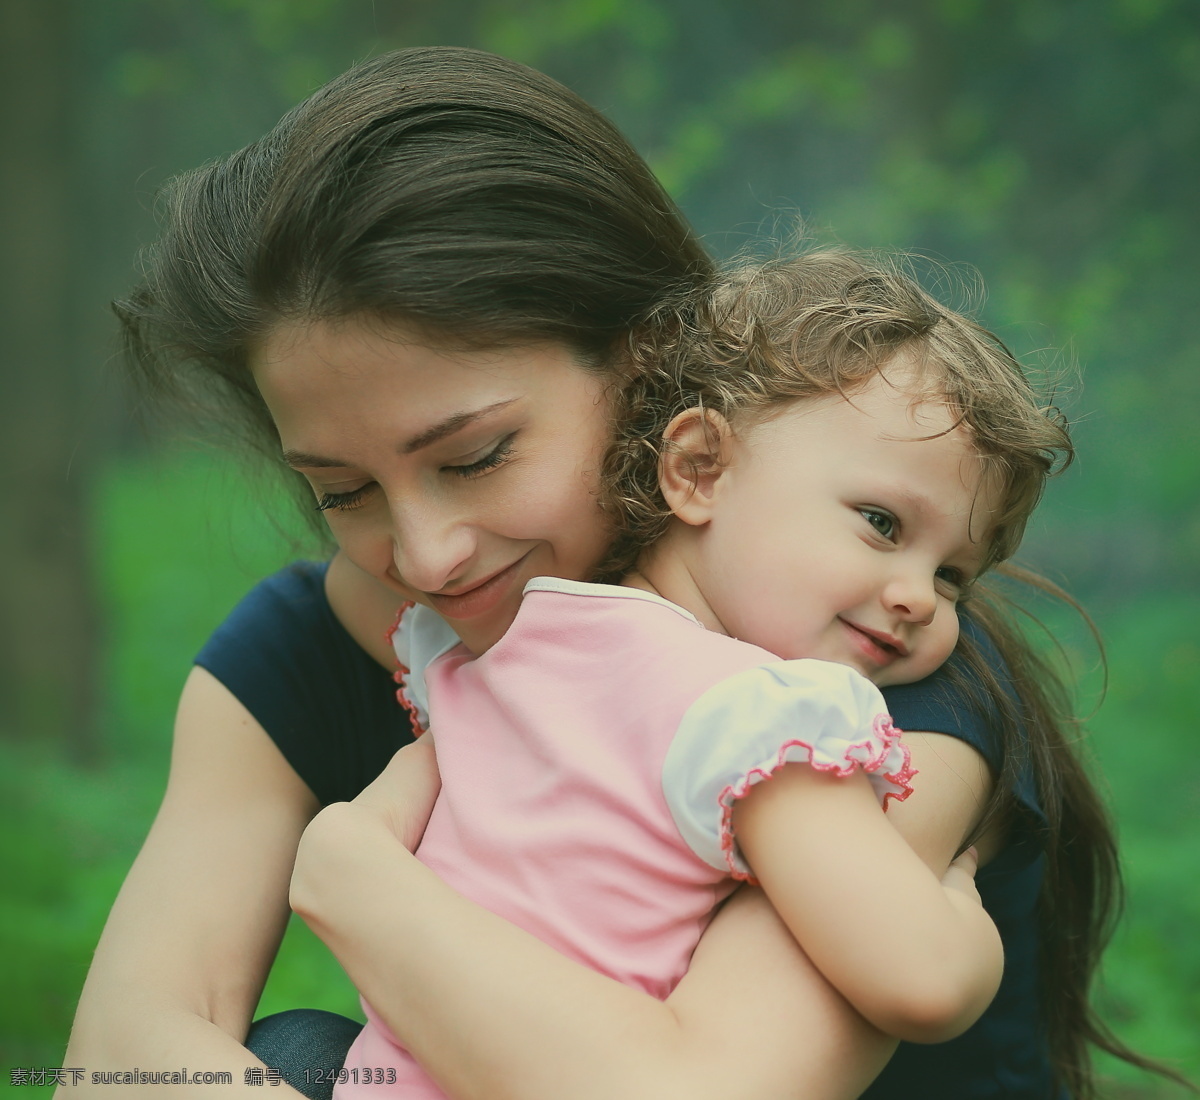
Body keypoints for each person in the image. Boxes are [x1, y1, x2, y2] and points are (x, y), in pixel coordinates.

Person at [62, 45, 1154, 1100]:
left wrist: (354, 875)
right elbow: (123, 1058)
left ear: (649, 373)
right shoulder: (321, 644)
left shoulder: (862, 673)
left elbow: (693, 1086)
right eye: (343, 491)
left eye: (476, 455)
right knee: (302, 1053)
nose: (429, 553)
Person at [295, 249, 1066, 1099]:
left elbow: (348, 586)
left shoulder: (499, 638)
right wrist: (961, 909)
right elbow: (923, 981)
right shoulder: (756, 721)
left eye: (954, 575)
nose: (921, 599)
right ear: (698, 467)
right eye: (882, 523)